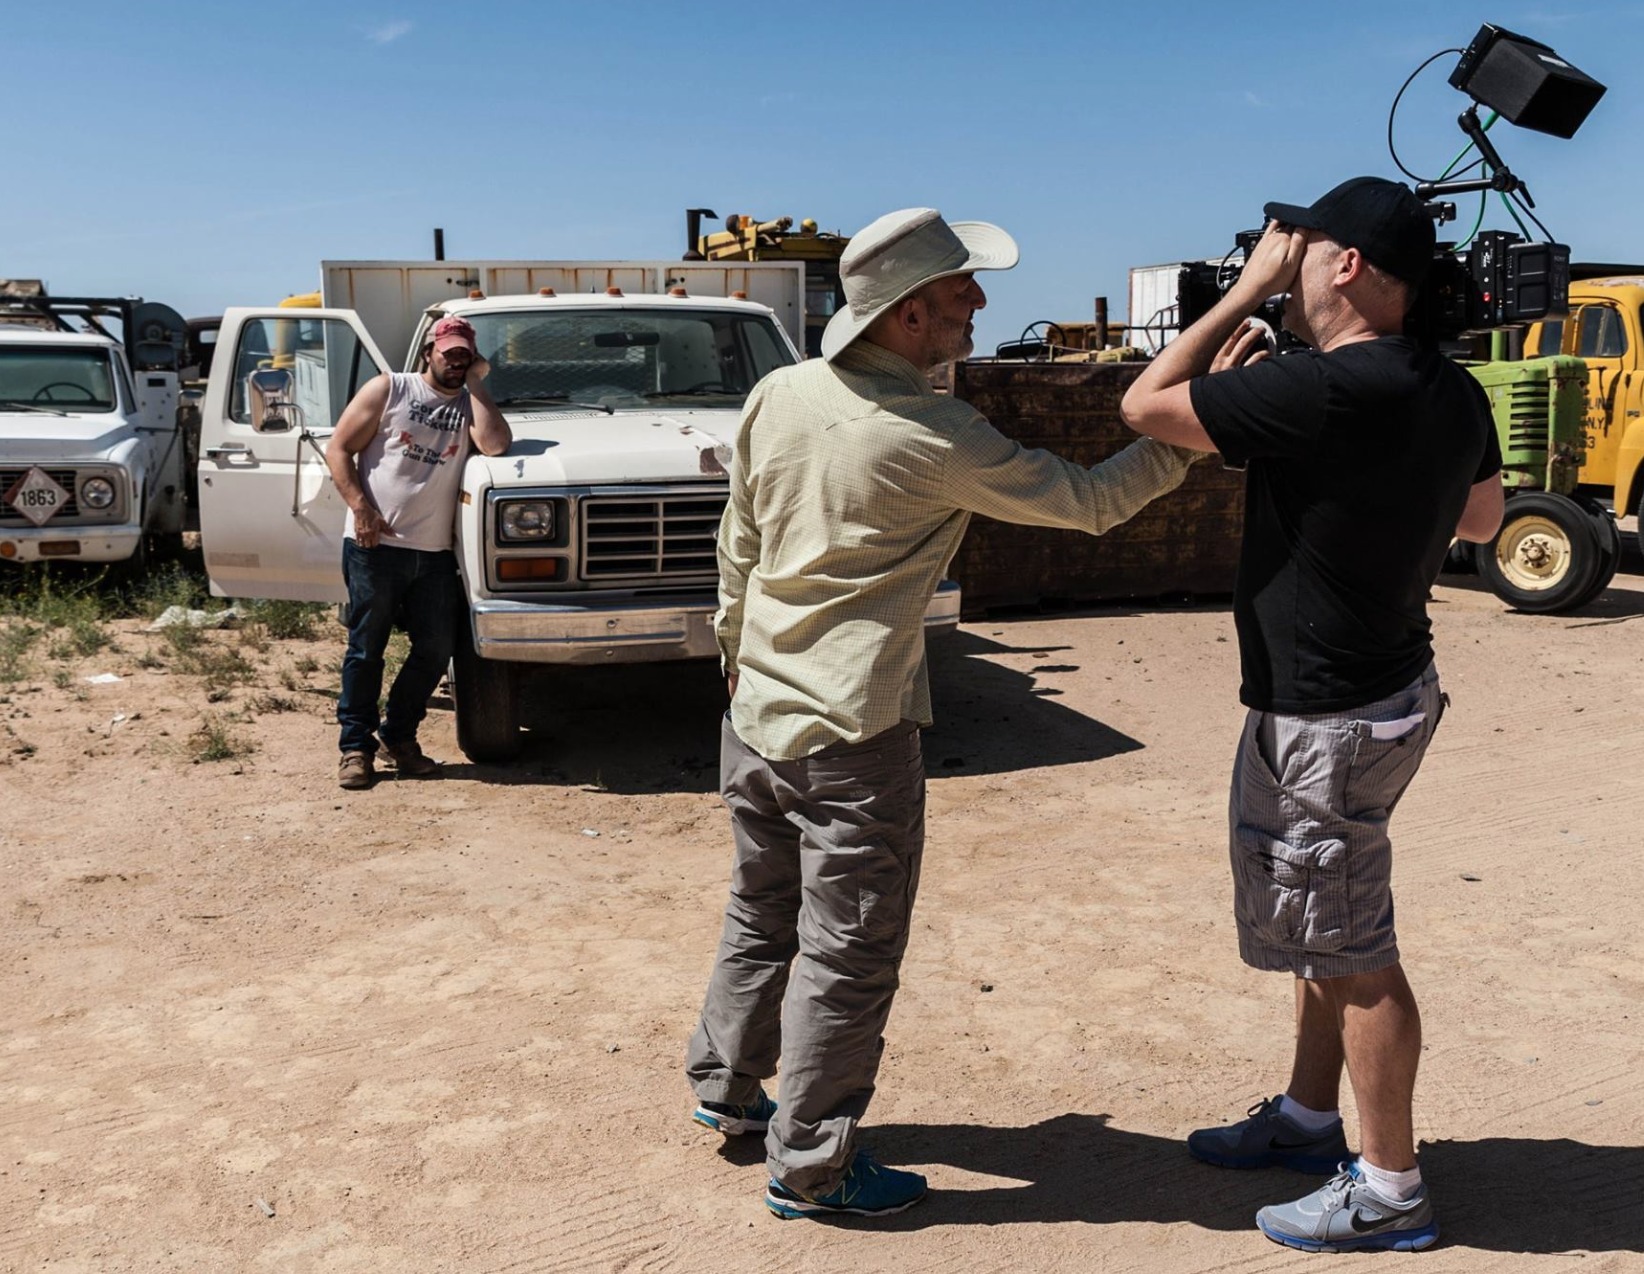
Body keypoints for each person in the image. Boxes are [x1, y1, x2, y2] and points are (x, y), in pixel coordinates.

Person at [685, 207, 1204, 1221]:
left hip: (756, 710)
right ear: (912, 313)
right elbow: (1092, 502)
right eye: (962, 288)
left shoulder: (778, 393)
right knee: (849, 945)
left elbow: (737, 545)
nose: (978, 302)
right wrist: (1196, 435)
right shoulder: (934, 433)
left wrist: (738, 662)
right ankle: (813, 1163)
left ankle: (729, 1090)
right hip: (854, 726)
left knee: (760, 909)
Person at [1120, 176, 1505, 1253]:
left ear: (1343, 266)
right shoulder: (1438, 382)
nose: (1282, 264)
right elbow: (1482, 513)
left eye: (1297, 251)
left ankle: (1390, 1187)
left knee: (1350, 948)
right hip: (1391, 688)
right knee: (1324, 926)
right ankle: (1306, 1114)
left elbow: (1143, 405)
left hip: (1327, 717)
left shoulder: (1329, 387)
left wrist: (1241, 294)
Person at [325, 315, 511, 790]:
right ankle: (355, 748)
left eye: (464, 355)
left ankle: (399, 737)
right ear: (428, 352)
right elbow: (339, 450)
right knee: (367, 649)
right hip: (375, 545)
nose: (455, 360)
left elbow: (495, 444)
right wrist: (360, 509)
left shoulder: (470, 404)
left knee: (435, 650)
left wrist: (476, 387)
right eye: (448, 352)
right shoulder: (391, 389)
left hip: (432, 554)